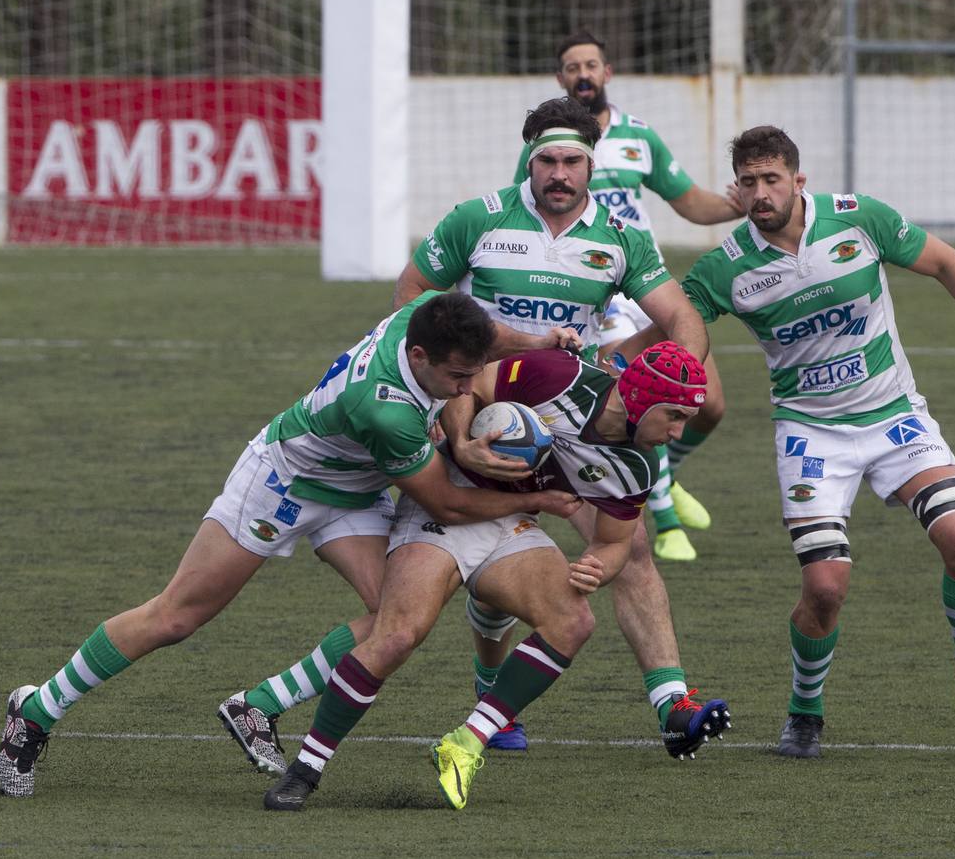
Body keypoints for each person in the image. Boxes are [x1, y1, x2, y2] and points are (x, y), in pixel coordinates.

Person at [0, 292, 582, 797]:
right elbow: (446, 504)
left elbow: (490, 338)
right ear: (418, 356)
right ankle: (37, 710)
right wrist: (534, 500)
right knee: (177, 616)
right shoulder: (385, 409)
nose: (465, 387)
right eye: (457, 378)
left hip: (360, 488)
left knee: (393, 617)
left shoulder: (426, 320)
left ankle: (259, 705)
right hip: (285, 481)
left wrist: (539, 339)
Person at [658, 125, 955, 758]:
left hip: (894, 418)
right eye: (748, 182)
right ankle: (805, 712)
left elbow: (945, 263)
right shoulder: (727, 267)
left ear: (799, 179)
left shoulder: (858, 220)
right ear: (736, 188)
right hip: (810, 435)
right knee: (825, 588)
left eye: (772, 179)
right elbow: (679, 324)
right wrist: (629, 368)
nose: (761, 193)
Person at [387, 95, 729, 757]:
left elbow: (683, 319)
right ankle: (495, 695)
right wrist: (446, 404)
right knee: (489, 559)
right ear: (529, 161)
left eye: (573, 159)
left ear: (592, 164)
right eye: (547, 160)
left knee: (627, 549)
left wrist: (654, 376)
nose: (560, 173)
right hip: (483, 408)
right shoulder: (478, 219)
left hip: (579, 413)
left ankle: (672, 704)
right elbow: (411, 299)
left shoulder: (621, 238)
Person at [260, 342, 729, 812]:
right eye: (673, 415)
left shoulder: (636, 466)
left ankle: (466, 742)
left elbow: (614, 543)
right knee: (398, 634)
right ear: (641, 399)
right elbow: (470, 387)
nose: (677, 431)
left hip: (511, 522)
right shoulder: (558, 374)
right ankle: (306, 768)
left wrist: (597, 568)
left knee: (573, 620)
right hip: (447, 502)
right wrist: (464, 442)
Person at [521, 30, 743, 561]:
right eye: (572, 66)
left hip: (643, 278)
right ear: (561, 78)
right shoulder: (551, 152)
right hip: (595, 290)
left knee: (709, 404)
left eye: (591, 64)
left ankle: (672, 474)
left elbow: (688, 201)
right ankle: (663, 521)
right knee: (641, 394)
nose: (583, 74)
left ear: (607, 72)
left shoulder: (638, 137)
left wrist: (742, 206)